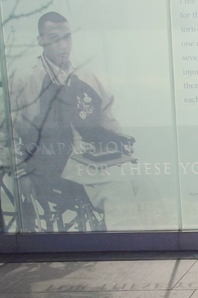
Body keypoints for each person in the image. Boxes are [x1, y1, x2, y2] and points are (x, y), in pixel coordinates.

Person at [7, 12, 166, 231]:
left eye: (67, 37)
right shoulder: (27, 79)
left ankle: (157, 242)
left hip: (94, 157)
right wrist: (21, 173)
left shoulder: (85, 76)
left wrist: (121, 151)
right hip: (53, 163)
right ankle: (128, 247)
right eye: (55, 38)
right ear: (41, 40)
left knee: (144, 182)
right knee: (118, 188)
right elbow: (9, 131)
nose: (63, 45)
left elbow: (106, 117)